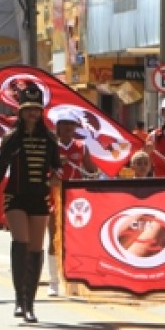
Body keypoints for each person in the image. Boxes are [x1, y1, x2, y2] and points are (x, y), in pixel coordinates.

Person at [0, 84, 62, 323]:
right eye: (28, 109)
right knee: (20, 244)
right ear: (20, 111)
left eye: (36, 109)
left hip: (39, 197)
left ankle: (30, 303)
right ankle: (19, 299)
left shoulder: (50, 138)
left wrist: (57, 176)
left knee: (36, 249)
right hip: (16, 196)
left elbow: (57, 166)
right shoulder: (12, 138)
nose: (32, 113)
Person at [48, 111, 96, 297]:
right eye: (65, 124)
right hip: (54, 195)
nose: (68, 127)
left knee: (76, 240)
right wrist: (55, 165)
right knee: (54, 238)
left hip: (76, 201)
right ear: (57, 126)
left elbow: (91, 171)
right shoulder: (51, 147)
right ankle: (53, 281)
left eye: (72, 124)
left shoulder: (81, 147)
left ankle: (74, 279)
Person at [145, 98, 165, 177]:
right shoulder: (154, 136)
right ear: (162, 115)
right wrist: (147, 153)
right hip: (160, 185)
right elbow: (144, 165)